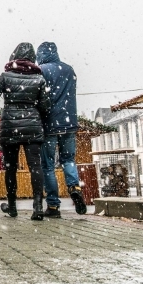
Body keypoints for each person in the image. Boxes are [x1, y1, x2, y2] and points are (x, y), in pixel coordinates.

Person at [0, 42, 51, 220]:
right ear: (32, 57)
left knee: (10, 168)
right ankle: (38, 207)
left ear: (15, 56)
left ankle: (11, 206)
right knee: (35, 167)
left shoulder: (6, 76)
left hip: (11, 127)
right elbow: (46, 106)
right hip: (32, 127)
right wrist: (34, 113)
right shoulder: (39, 79)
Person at [36, 41, 86, 217]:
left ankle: (53, 206)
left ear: (41, 54)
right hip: (69, 123)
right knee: (68, 160)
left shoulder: (41, 71)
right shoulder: (69, 69)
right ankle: (74, 186)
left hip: (49, 124)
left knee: (48, 166)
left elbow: (39, 97)